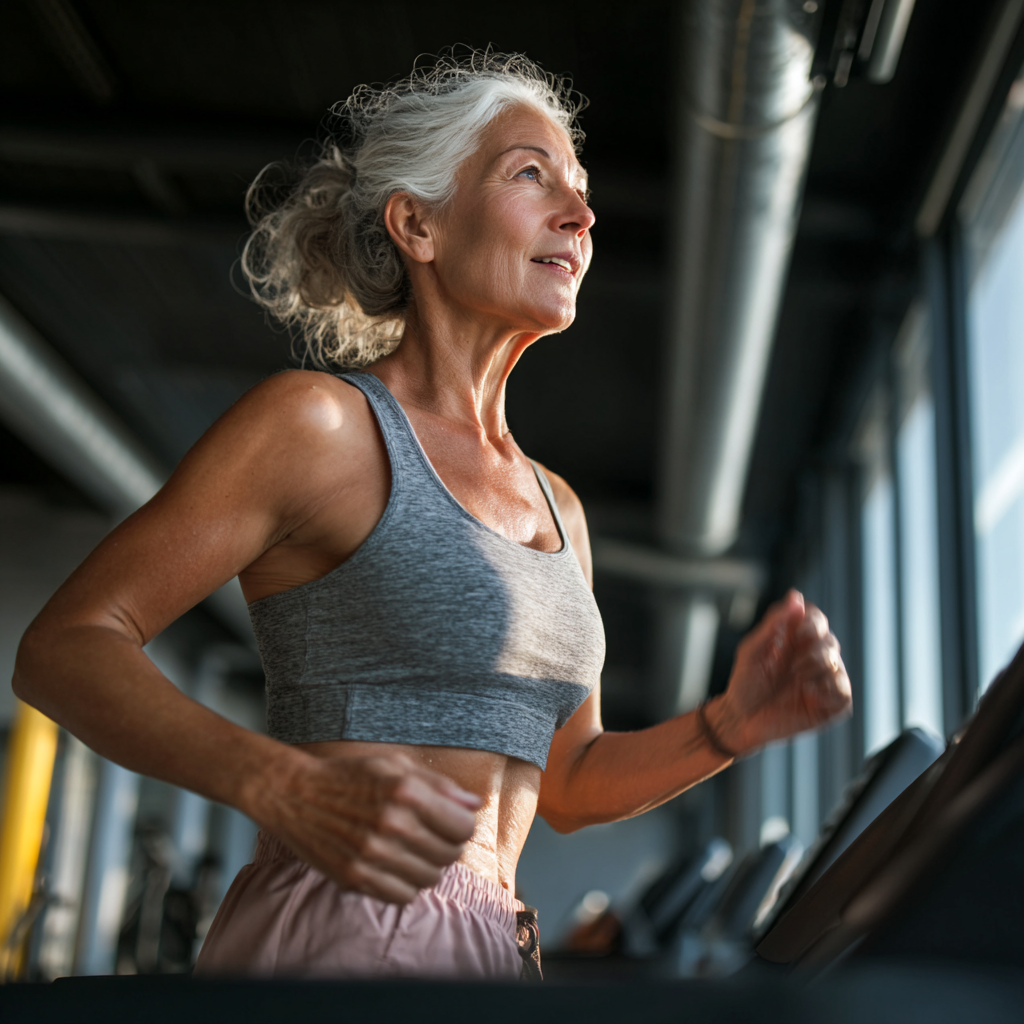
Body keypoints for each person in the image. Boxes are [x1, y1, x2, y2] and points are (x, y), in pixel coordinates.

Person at [13, 51, 851, 981]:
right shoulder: (321, 427)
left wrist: (729, 726)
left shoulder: (558, 507)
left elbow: (568, 782)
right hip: (344, 925)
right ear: (417, 223)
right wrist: (276, 783)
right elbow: (67, 644)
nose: (580, 213)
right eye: (531, 174)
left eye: (580, 188)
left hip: (499, 941)